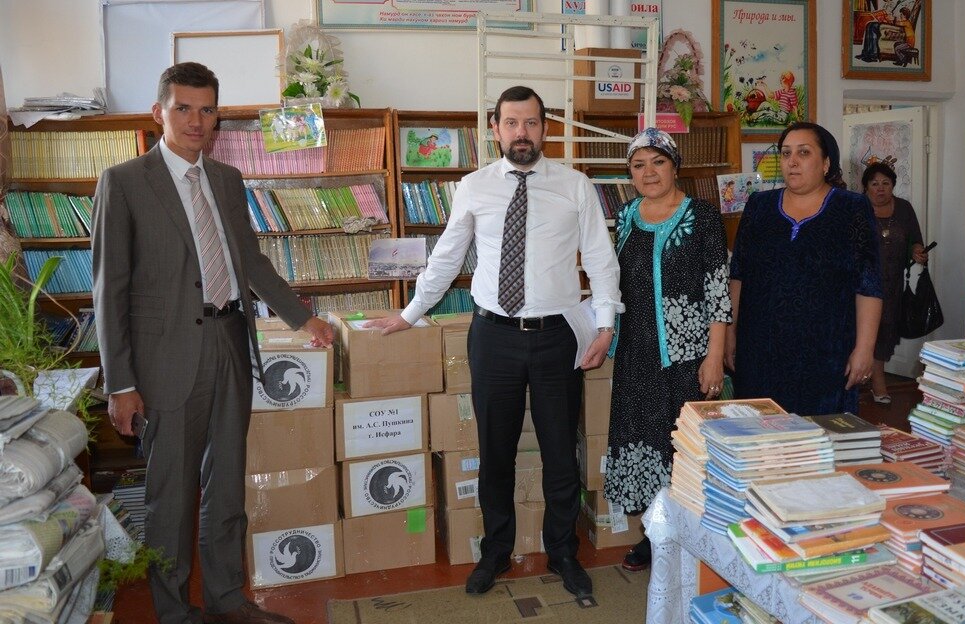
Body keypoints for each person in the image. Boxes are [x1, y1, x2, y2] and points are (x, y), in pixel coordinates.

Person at [92, 62, 334, 624]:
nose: (195, 121)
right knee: (172, 496)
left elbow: (250, 261)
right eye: (183, 108)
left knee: (227, 486)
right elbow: (109, 290)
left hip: (230, 341)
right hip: (165, 361)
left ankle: (228, 598)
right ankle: (175, 612)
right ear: (158, 113)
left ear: (217, 116)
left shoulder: (226, 178)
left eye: (206, 110)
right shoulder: (124, 182)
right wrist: (121, 383)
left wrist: (303, 319)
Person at [366, 85, 621, 598]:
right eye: (511, 123)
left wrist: (605, 325)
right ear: (495, 129)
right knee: (496, 452)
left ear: (545, 128)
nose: (521, 133)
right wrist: (411, 313)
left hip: (557, 338)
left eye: (531, 123)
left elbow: (600, 258)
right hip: (493, 337)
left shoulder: (575, 186)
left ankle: (563, 552)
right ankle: (496, 551)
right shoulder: (473, 187)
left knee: (560, 453)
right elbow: (447, 256)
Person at [604, 128, 731, 572]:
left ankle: (689, 538)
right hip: (636, 353)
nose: (649, 172)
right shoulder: (625, 216)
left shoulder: (703, 215)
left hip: (686, 355)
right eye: (638, 165)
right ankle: (653, 535)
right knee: (641, 441)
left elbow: (717, 290)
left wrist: (714, 356)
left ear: (675, 166)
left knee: (682, 445)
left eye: (657, 162)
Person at [725, 122, 883, 416]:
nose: (792, 161)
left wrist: (865, 348)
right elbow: (738, 274)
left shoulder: (851, 209)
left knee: (820, 436)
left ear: (826, 163)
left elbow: (869, 284)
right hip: (759, 350)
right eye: (786, 153)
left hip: (826, 354)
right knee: (758, 432)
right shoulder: (759, 206)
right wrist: (730, 333)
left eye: (804, 152)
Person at [862, 162, 927, 403]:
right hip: (861, 284)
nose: (880, 188)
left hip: (892, 284)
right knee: (861, 330)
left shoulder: (904, 209)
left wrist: (917, 251)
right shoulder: (856, 208)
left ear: (893, 186)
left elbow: (915, 240)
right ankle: (863, 377)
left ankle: (876, 377)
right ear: (866, 187)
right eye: (874, 184)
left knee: (886, 329)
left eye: (885, 183)